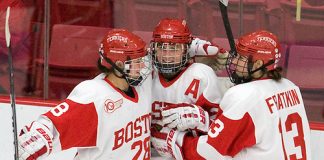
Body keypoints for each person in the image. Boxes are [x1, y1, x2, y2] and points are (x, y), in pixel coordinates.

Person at [152, 30, 312, 159]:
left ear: (257, 64)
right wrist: (207, 123)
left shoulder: (245, 95)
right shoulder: (290, 87)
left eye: (241, 58)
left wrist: (175, 140)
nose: (234, 62)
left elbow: (209, 152)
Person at [18, 29, 153, 160]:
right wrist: (38, 136)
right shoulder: (95, 96)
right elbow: (54, 123)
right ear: (118, 65)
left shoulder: (142, 88)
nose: (142, 66)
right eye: (136, 62)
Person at [149, 18, 231, 158]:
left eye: (174, 48)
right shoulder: (144, 73)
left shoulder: (201, 75)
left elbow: (222, 137)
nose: (167, 56)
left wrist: (203, 122)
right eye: (162, 47)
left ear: (187, 50)